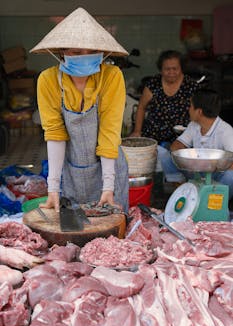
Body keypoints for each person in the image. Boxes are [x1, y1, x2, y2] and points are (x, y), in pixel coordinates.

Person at [30, 7, 129, 212]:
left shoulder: (111, 76)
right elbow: (55, 134)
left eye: (92, 52)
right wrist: (53, 188)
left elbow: (109, 131)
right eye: (76, 52)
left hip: (109, 166)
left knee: (113, 236)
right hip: (72, 170)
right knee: (73, 234)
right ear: (61, 53)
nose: (85, 56)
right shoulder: (48, 80)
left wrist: (108, 185)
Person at [158, 88, 233, 199]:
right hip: (194, 171)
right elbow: (176, 145)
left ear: (199, 112)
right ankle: (181, 189)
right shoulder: (194, 125)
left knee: (230, 176)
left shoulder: (226, 131)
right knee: (161, 151)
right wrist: (190, 159)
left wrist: (210, 166)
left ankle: (214, 200)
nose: (188, 110)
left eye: (191, 106)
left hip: (216, 175)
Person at [130, 50, 198, 144]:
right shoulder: (153, 84)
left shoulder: (190, 85)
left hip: (182, 138)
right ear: (161, 69)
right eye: (167, 69)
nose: (171, 72)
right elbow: (141, 107)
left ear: (181, 68)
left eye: (175, 69)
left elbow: (196, 113)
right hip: (153, 136)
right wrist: (137, 131)